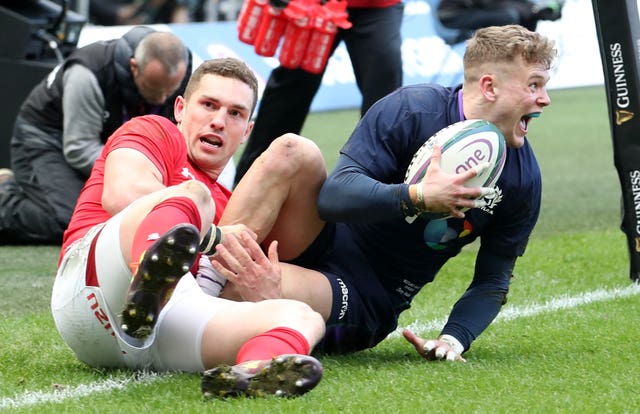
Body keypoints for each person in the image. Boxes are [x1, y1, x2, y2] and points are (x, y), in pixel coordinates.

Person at [216, 24, 557, 362]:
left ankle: (202, 301)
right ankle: (201, 275)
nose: (545, 99)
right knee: (293, 149)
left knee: (237, 291)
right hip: (321, 235)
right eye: (534, 85)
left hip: (365, 292)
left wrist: (453, 339)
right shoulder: (413, 109)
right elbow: (334, 197)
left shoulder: (522, 180)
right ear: (489, 87)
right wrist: (418, 196)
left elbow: (493, 281)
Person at [51, 57, 327, 398]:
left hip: (166, 326)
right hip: (92, 291)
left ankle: (248, 373)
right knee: (196, 197)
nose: (218, 121)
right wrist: (211, 235)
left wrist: (259, 299)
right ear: (180, 108)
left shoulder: (229, 204)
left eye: (235, 114)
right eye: (208, 105)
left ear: (247, 132)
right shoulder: (154, 131)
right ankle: (144, 289)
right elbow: (122, 195)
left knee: (303, 316)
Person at [0, 26, 191, 245]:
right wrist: (133, 172)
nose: (161, 99)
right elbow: (79, 148)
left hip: (104, 147)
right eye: (153, 88)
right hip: (44, 140)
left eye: (170, 90)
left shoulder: (181, 71)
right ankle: (5, 198)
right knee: (73, 221)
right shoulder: (88, 74)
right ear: (134, 67)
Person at [233, 0, 404, 186]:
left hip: (376, 8)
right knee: (292, 86)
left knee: (385, 89)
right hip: (317, 5)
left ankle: (383, 189)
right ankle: (247, 182)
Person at [436, 0, 565, 42]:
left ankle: (521, 60)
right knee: (510, 17)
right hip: (453, 15)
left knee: (526, 18)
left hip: (479, 10)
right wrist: (532, 10)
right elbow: (490, 4)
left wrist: (537, 11)